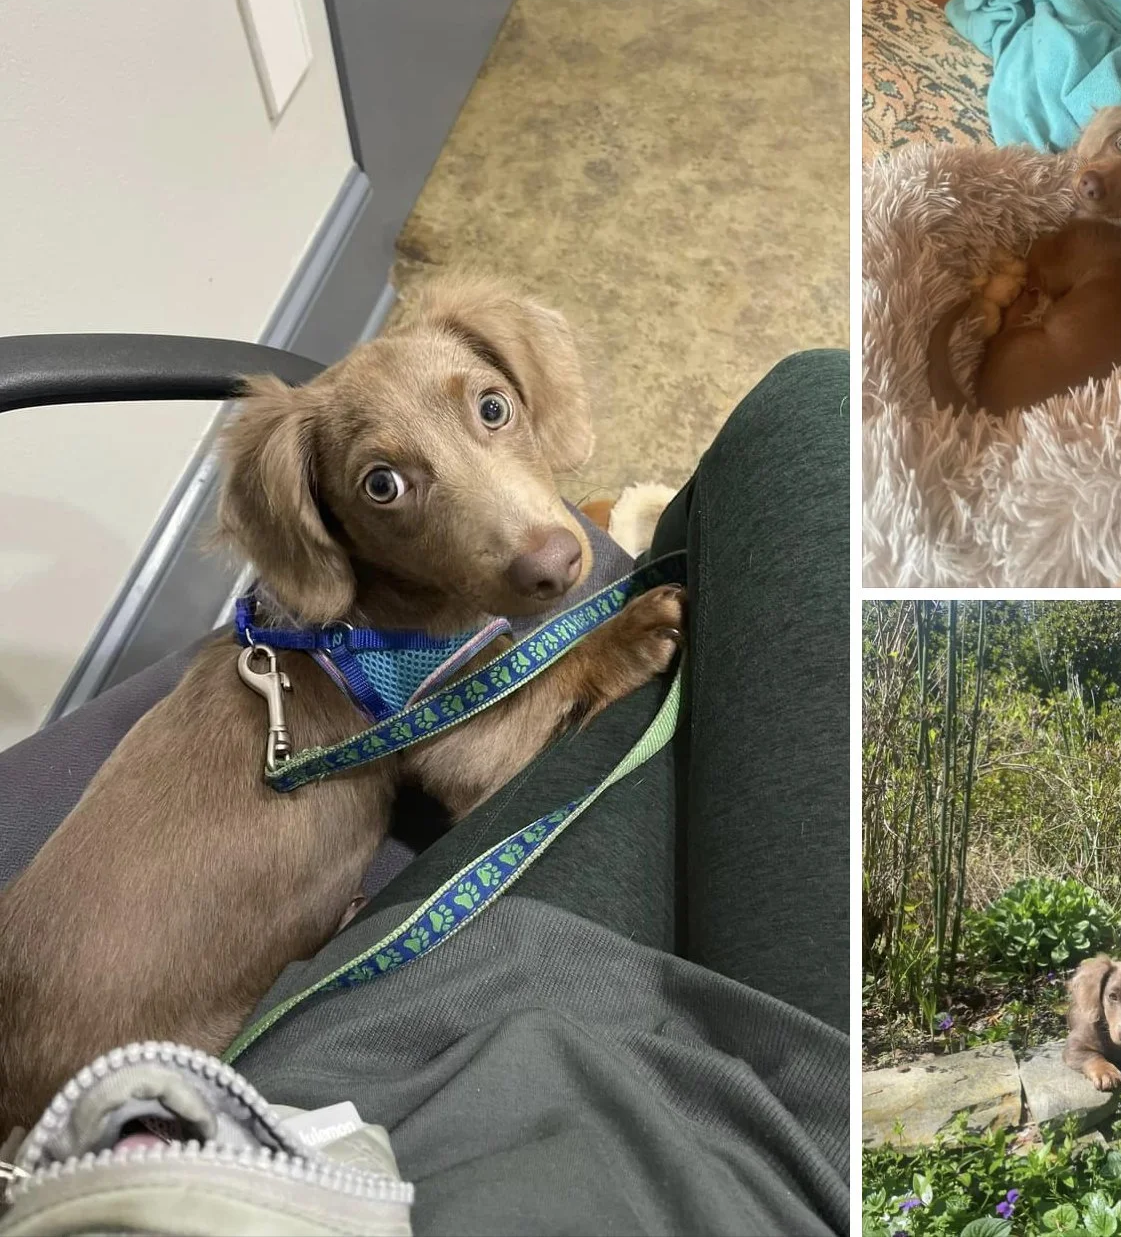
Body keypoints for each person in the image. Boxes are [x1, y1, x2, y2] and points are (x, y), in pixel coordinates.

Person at [0, 351, 850, 1233]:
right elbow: (491, 770)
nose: (546, 546)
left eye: (492, 409)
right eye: (382, 483)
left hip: (58, 1023)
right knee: (809, 408)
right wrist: (596, 662)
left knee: (806, 404)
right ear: (318, 521)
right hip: (134, 1088)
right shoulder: (380, 652)